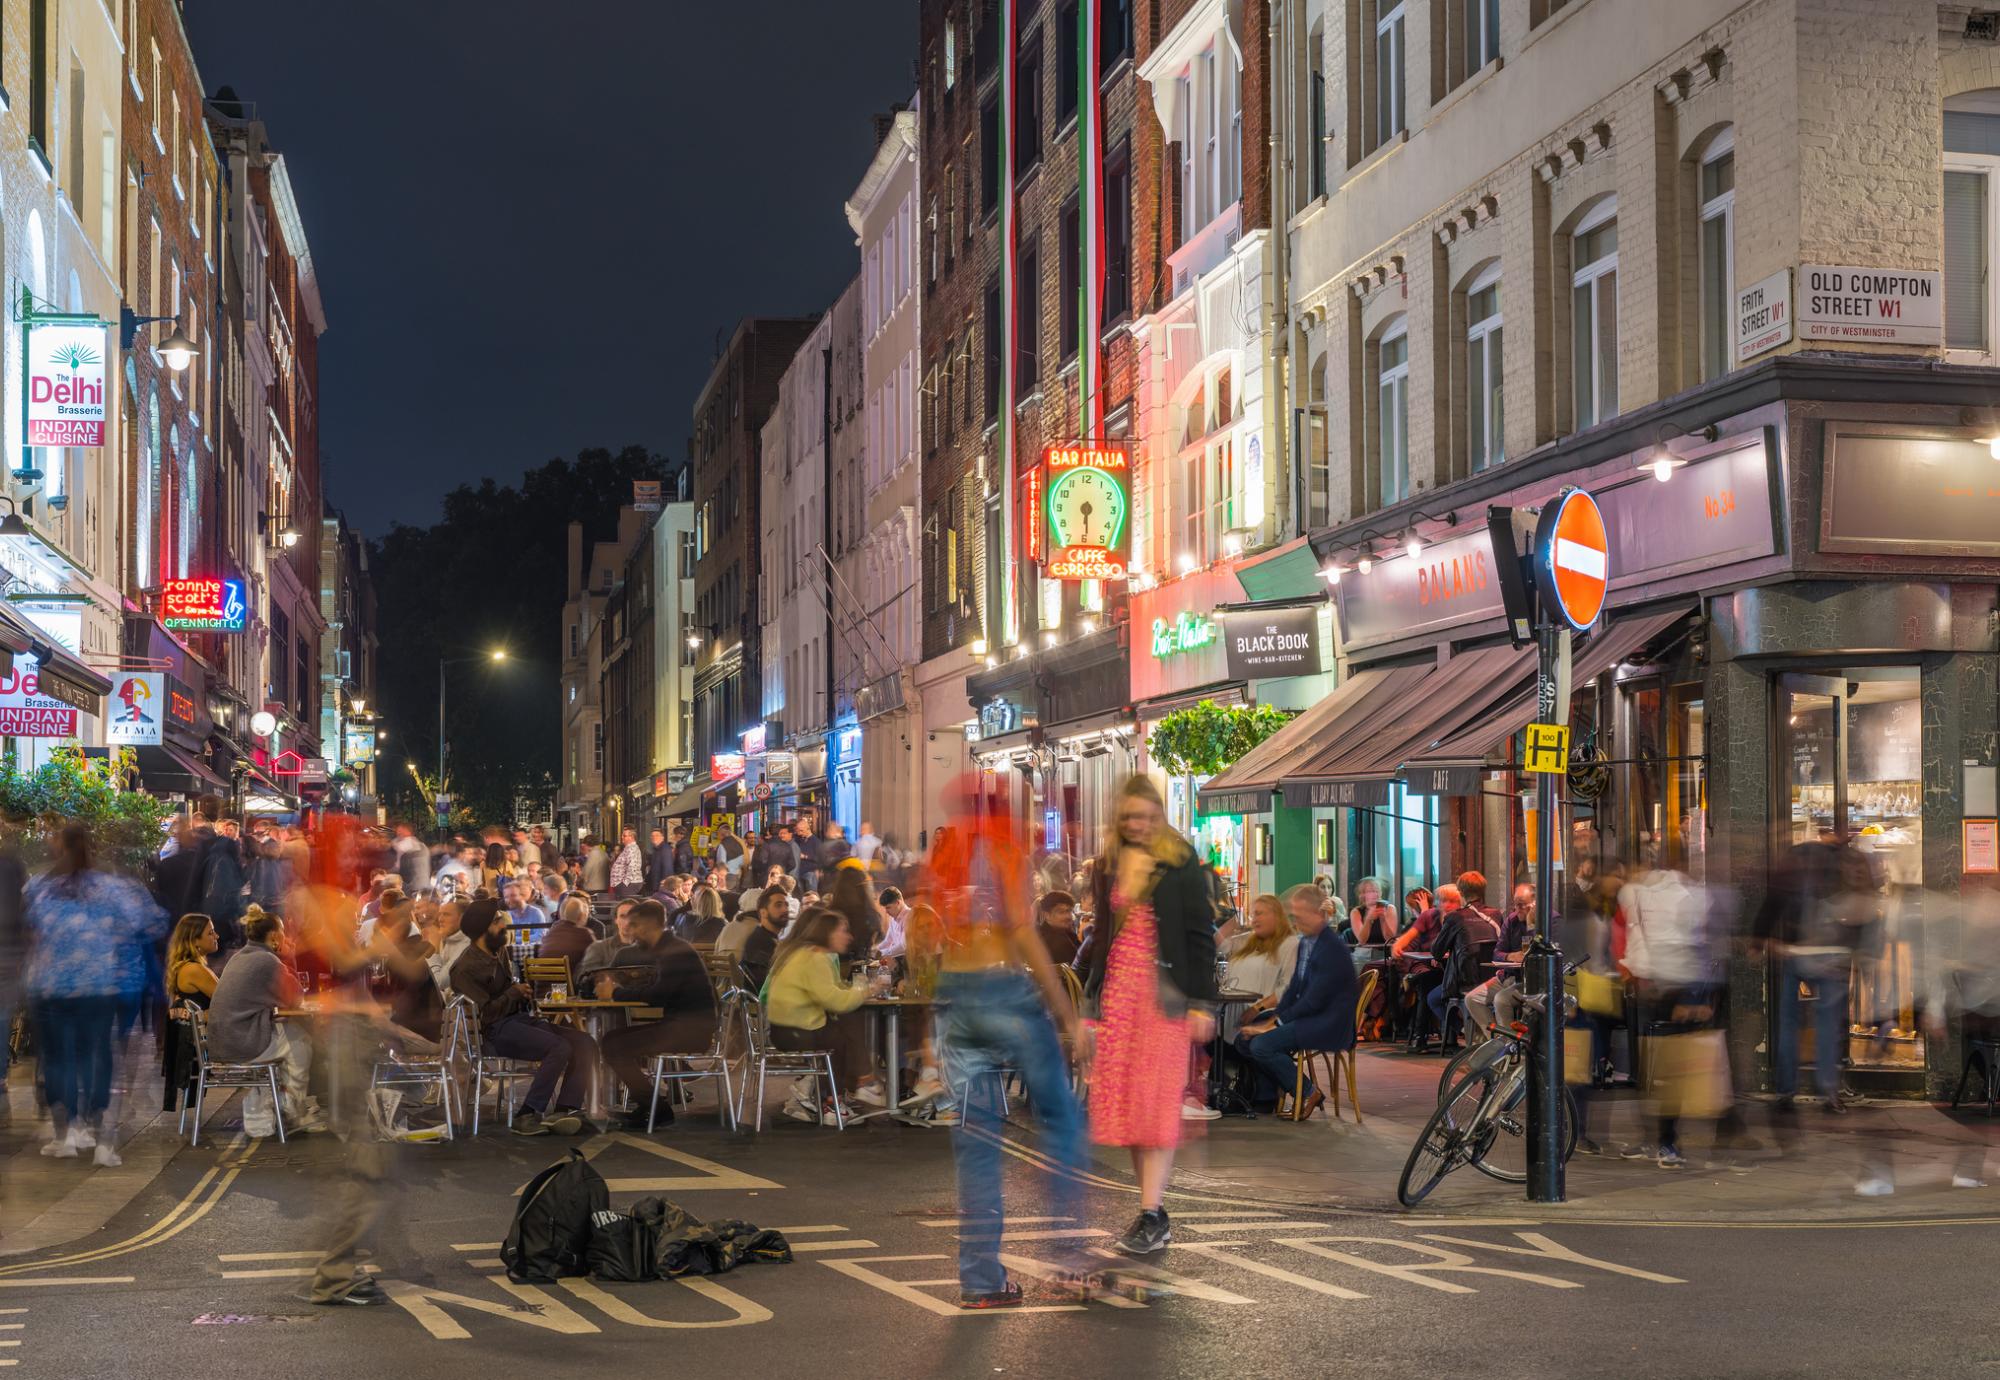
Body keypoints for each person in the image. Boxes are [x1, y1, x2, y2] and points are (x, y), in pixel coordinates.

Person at [1083, 775, 1219, 1257]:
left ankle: (1152, 1212)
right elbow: (1102, 936)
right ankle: (1150, 1211)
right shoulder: (1109, 865)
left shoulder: (1180, 862)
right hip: (1120, 997)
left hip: (1163, 999)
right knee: (1130, 1112)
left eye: (1145, 816)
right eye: (1128, 818)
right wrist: (1090, 1002)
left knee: (1155, 1107)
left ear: (1159, 815)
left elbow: (1201, 935)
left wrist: (1201, 1001)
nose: (1137, 825)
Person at [448, 900, 600, 1136]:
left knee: (585, 1042)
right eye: (498, 921)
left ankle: (565, 1110)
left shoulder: (498, 953)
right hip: (493, 1032)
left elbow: (507, 996)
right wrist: (513, 992)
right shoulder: (465, 968)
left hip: (517, 1021)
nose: (504, 925)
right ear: (484, 928)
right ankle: (527, 1114)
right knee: (559, 1047)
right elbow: (485, 1014)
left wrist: (521, 993)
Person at [1235, 885, 1358, 1119]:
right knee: (1244, 1039)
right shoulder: (1307, 942)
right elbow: (1294, 990)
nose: (1296, 920)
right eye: (1294, 915)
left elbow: (1313, 1000)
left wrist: (1274, 1024)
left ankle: (1308, 1092)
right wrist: (1272, 1017)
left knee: (1261, 1045)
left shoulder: (1331, 948)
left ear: (1318, 914)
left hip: (1328, 1022)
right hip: (1309, 1016)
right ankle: (1267, 1097)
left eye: (1300, 915)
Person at [594, 900, 718, 1129]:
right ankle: (650, 1106)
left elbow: (658, 995)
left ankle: (656, 1109)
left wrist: (615, 992)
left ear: (650, 925)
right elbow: (660, 990)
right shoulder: (668, 949)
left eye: (635, 925)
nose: (631, 931)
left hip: (690, 1030)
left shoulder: (675, 952)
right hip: (681, 1025)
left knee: (614, 1045)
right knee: (612, 1040)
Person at [764, 907, 891, 1122]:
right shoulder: (815, 958)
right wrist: (869, 990)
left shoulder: (805, 953)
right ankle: (836, 1100)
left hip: (784, 1028)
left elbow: (832, 993)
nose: (849, 937)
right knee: (840, 1037)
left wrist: (857, 992)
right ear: (828, 934)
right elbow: (836, 1001)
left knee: (843, 1028)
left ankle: (837, 1089)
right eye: (844, 931)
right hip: (794, 1032)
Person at [206, 910, 316, 1140]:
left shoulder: (239, 956)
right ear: (274, 935)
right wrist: (290, 957)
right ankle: (292, 1107)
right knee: (300, 1041)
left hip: (222, 1042)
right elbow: (296, 997)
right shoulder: (267, 961)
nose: (286, 937)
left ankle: (284, 1103)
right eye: (283, 932)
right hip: (241, 1043)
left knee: (291, 1036)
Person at [161, 912, 220, 1112]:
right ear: (194, 940)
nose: (216, 936)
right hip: (212, 1047)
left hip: (199, 1046)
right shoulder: (193, 970)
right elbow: (229, 1002)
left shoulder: (186, 968)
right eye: (210, 933)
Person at [824, 863, 881, 963]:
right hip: (862, 967)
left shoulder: (829, 915)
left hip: (835, 967)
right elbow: (874, 941)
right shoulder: (871, 915)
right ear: (864, 888)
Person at [738, 886, 792, 991]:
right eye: (778, 905)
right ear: (763, 912)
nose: (785, 909)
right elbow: (767, 984)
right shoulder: (760, 942)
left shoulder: (765, 937)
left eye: (786, 905)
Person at [581, 897, 640, 974]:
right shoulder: (599, 948)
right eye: (622, 916)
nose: (627, 922)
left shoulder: (649, 949)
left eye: (632, 917)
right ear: (616, 920)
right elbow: (587, 977)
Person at [537, 894, 597, 968]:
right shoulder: (585, 934)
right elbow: (597, 958)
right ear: (581, 915)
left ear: (561, 914)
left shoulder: (550, 932)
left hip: (543, 975)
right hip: (570, 975)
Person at [1347, 877, 1398, 948]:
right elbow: (1362, 941)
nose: (1375, 894)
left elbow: (1390, 939)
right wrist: (1368, 919)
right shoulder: (1356, 912)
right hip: (1365, 951)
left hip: (1385, 951)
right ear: (1362, 895)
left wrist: (1383, 919)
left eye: (1377, 891)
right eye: (1371, 891)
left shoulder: (1390, 908)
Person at [1034, 890, 1082, 967]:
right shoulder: (1049, 940)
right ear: (1047, 915)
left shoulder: (1067, 932)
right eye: (1061, 912)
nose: (1068, 916)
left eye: (1069, 911)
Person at [391, 821, 431, 895]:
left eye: (400, 831)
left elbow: (396, 868)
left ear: (407, 831)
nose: (397, 833)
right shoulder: (422, 846)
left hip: (411, 888)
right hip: (425, 885)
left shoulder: (402, 846)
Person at [609, 826, 645, 899]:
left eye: (624, 836)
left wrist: (625, 883)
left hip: (628, 885)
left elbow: (632, 867)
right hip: (626, 884)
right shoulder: (629, 848)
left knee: (626, 904)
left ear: (631, 837)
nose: (622, 837)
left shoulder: (632, 849)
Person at [877, 886, 911, 962]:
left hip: (912, 963)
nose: (886, 912)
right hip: (902, 962)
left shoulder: (910, 916)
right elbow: (888, 941)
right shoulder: (893, 919)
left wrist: (882, 953)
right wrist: (876, 950)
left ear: (898, 903)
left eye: (888, 907)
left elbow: (904, 946)